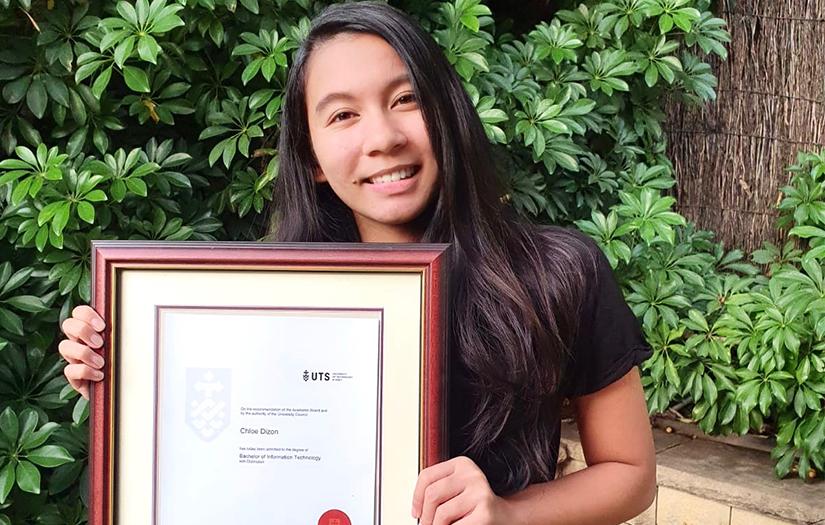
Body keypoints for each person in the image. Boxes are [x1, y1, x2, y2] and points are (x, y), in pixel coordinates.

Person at [59, 2, 656, 524]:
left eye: (406, 99)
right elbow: (214, 452)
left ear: (447, 113)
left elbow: (631, 474)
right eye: (342, 114)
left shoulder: (558, 272)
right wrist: (128, 382)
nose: (382, 137)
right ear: (313, 154)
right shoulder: (253, 304)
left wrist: (508, 513)